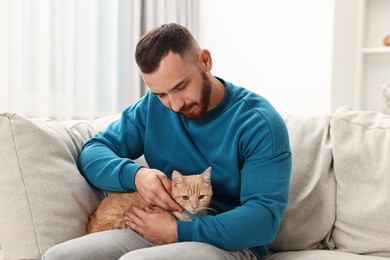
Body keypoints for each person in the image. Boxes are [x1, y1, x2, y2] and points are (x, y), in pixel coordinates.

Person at [43, 23, 291, 260]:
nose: (175, 105)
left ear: (205, 60)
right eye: (161, 94)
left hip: (227, 243)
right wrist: (137, 176)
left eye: (181, 86)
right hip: (156, 226)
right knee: (59, 256)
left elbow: (263, 220)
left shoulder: (258, 123)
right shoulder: (151, 108)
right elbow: (93, 152)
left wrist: (177, 232)